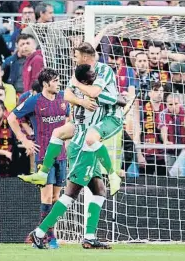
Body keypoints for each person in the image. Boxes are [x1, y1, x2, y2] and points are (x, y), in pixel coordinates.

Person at [28, 63, 122, 250]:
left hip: (82, 143)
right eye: (93, 75)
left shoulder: (77, 92)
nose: (97, 77)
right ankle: (39, 233)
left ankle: (89, 237)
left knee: (99, 190)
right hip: (83, 147)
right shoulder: (93, 96)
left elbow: (72, 92)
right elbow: (114, 99)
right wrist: (121, 101)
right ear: (87, 80)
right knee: (71, 194)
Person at [20, 43, 123, 196]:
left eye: (76, 57)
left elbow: (94, 92)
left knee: (89, 140)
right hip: (86, 122)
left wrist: (77, 86)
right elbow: (66, 95)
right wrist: (81, 101)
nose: (74, 60)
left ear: (85, 57)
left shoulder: (103, 70)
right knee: (57, 132)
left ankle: (113, 176)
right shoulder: (79, 73)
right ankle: (43, 174)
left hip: (106, 117)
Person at [7, 68, 69, 249]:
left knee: (56, 198)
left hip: (62, 156)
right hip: (43, 156)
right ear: (45, 83)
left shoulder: (63, 98)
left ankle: (46, 235)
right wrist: (25, 140)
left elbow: (69, 118)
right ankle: (45, 238)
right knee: (47, 196)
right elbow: (11, 118)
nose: (58, 83)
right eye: (55, 80)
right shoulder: (34, 101)